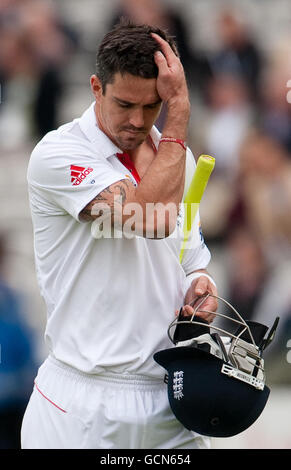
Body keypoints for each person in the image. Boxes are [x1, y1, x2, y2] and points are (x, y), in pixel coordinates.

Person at [21, 20, 218, 449]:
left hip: (171, 399)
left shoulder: (173, 158)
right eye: (124, 103)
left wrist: (199, 286)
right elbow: (149, 218)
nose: (136, 120)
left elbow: (186, 254)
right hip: (79, 404)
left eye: (151, 107)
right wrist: (179, 111)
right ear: (96, 87)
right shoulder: (59, 154)